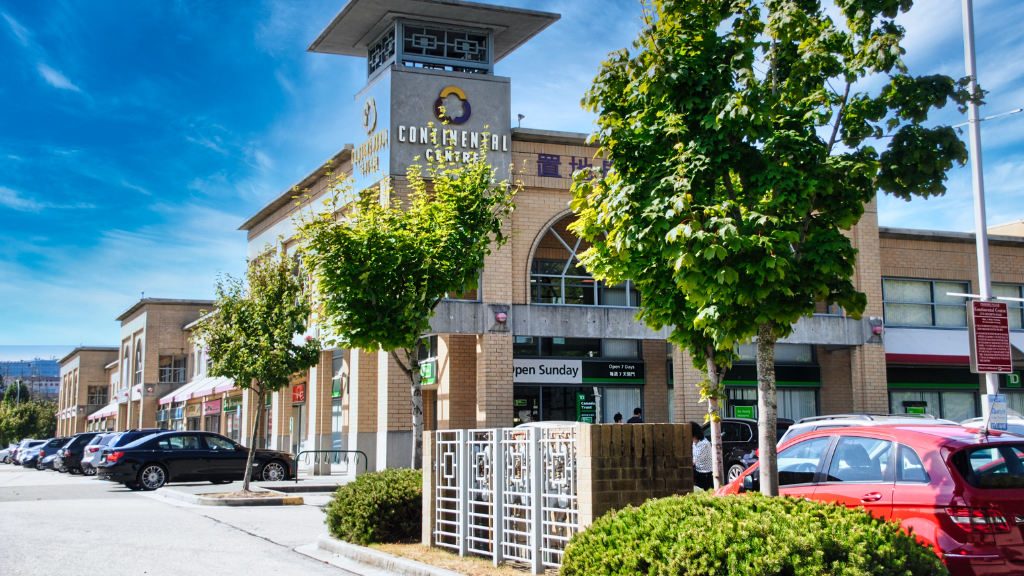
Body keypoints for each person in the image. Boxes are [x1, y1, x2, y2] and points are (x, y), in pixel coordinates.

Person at [691, 422, 713, 490]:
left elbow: (694, 461)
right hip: (698, 472)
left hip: (705, 474)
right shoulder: (695, 443)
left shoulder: (704, 444)